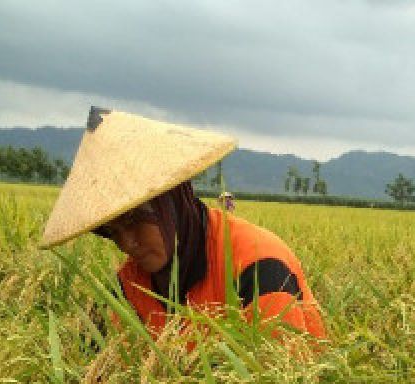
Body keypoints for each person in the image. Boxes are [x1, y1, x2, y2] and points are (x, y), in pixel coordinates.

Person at [39, 107, 326, 340]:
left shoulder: (255, 264)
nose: (127, 244)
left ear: (172, 204)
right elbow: (103, 377)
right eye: (113, 233)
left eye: (135, 221)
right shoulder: (130, 286)